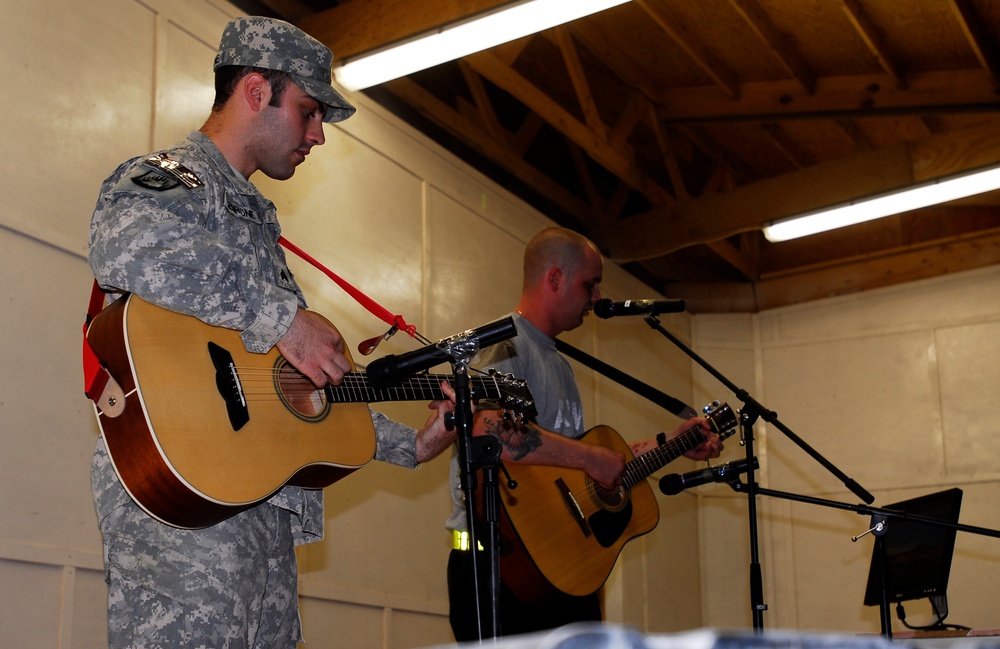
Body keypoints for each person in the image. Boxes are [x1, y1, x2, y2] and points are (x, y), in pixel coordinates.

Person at [87, 17, 458, 649]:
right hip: (185, 518)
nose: (318, 135)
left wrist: (413, 446)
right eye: (309, 112)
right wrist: (284, 318)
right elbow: (125, 248)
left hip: (261, 519)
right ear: (256, 91)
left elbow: (288, 396)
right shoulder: (174, 178)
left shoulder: (258, 225)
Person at [445, 226, 725, 641]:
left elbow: (576, 465)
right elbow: (487, 431)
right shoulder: (503, 345)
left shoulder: (560, 364)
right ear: (554, 278)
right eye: (590, 284)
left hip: (565, 568)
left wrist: (673, 441)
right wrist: (590, 457)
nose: (597, 298)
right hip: (501, 569)